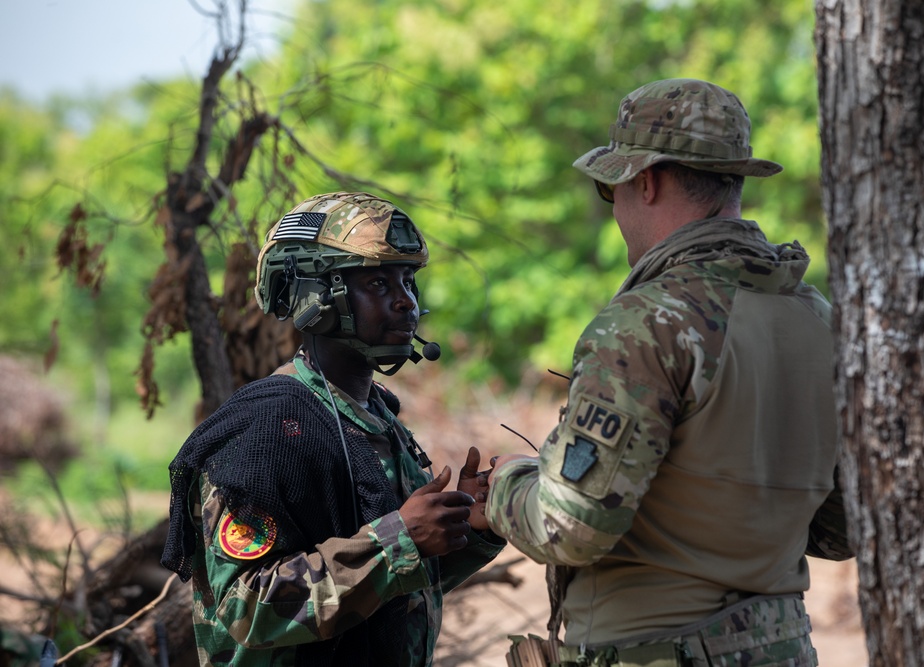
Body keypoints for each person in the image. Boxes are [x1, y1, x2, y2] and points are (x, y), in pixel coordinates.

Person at [486, 79, 853, 666]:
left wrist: (508, 483)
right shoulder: (822, 321)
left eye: (613, 192)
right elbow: (843, 529)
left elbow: (568, 527)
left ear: (645, 180)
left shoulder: (647, 324)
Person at [161, 192, 505, 666]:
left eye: (408, 282)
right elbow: (246, 607)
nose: (406, 303)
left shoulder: (377, 419)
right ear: (315, 297)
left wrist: (467, 526)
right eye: (379, 283)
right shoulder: (268, 430)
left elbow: (387, 590)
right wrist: (399, 539)